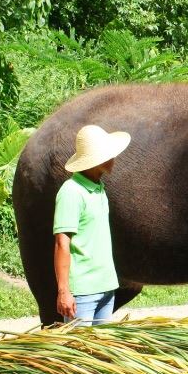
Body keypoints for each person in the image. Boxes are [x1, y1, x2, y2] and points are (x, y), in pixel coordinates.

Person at [54, 124, 131, 325]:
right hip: (83, 294)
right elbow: (62, 243)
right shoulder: (71, 192)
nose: (114, 158)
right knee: (78, 353)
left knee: (98, 355)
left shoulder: (99, 188)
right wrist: (64, 292)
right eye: (108, 154)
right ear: (94, 160)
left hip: (106, 288)